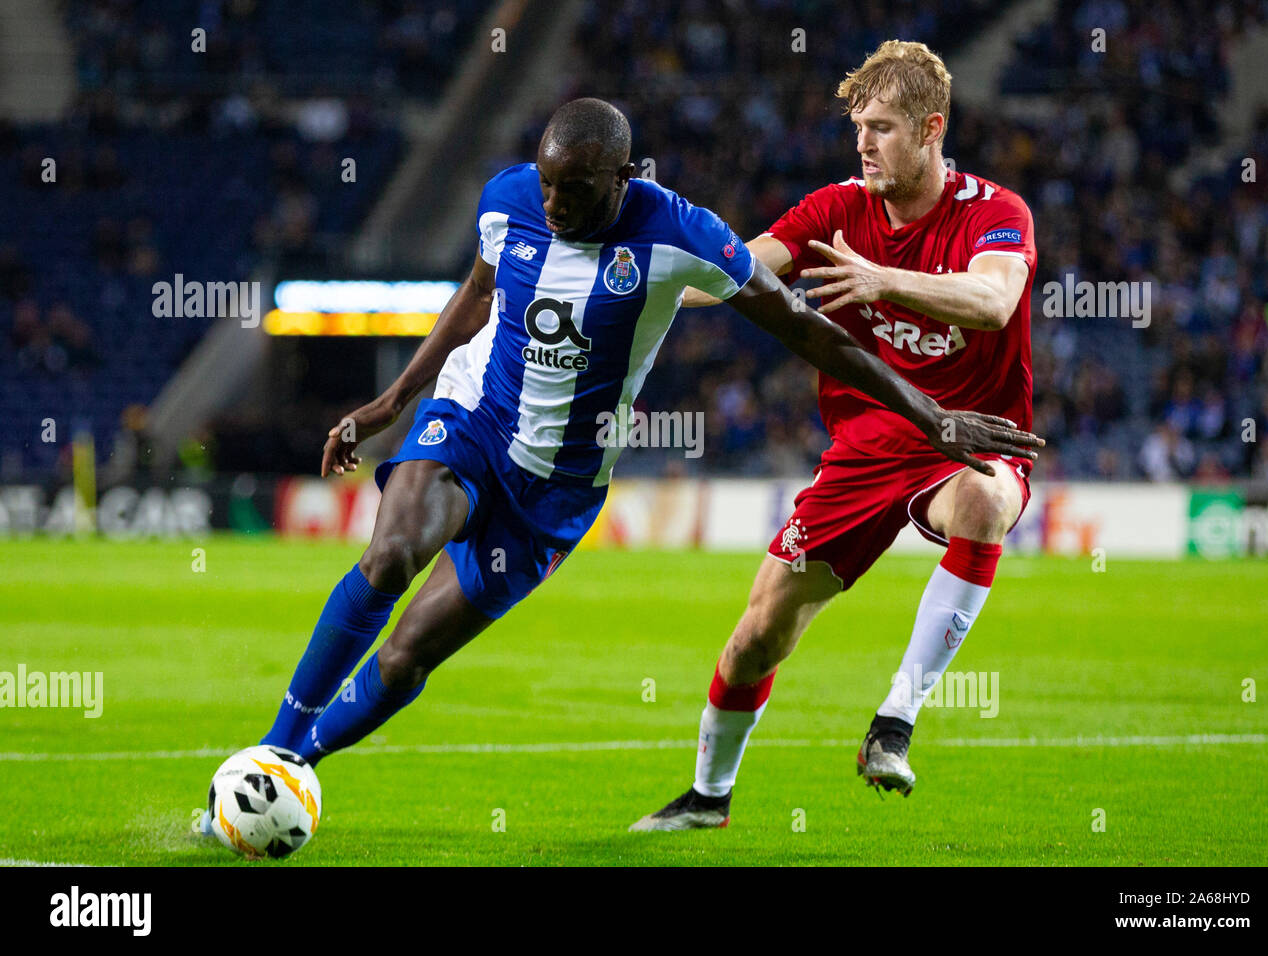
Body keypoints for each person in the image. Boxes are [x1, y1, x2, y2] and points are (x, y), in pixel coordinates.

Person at [201, 97, 1039, 833]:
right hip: (474, 419)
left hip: (559, 490)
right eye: (548, 184)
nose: (555, 204)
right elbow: (475, 295)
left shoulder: (680, 232)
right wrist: (393, 401)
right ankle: (272, 755)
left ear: (624, 177)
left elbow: (808, 330)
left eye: (577, 190)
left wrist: (930, 414)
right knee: (389, 557)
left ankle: (294, 764)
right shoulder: (510, 199)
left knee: (408, 656)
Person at [633, 41, 1039, 830]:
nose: (863, 143)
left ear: (931, 128)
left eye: (882, 127)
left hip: (965, 437)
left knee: (987, 502)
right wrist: (638, 280)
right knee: (758, 635)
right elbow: (737, 276)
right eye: (858, 127)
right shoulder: (834, 210)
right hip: (864, 448)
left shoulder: (996, 212)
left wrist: (884, 280)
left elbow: (992, 303)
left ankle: (893, 724)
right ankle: (708, 798)